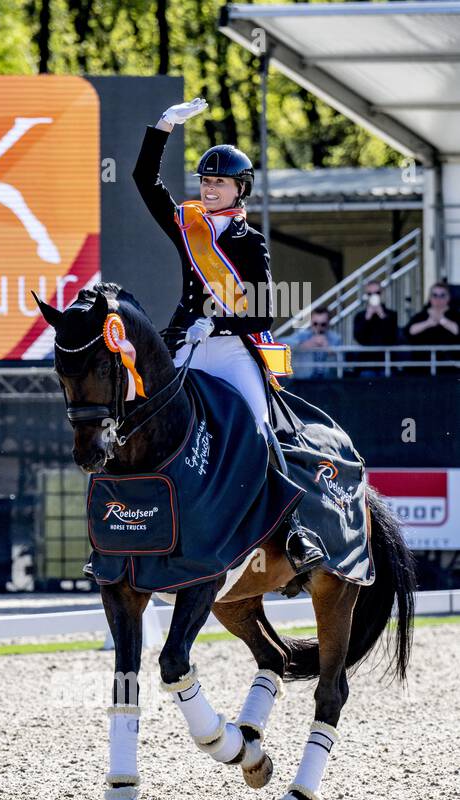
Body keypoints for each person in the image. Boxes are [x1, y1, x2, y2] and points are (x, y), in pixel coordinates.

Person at [133, 96, 323, 574]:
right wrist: (163, 126)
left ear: (240, 189)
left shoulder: (248, 242)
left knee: (261, 432)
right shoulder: (188, 226)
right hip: (188, 347)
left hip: (234, 352)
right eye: (205, 179)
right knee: (148, 421)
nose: (209, 187)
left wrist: (213, 323)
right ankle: (134, 526)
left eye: (218, 181)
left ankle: (296, 530)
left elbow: (261, 309)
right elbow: (144, 181)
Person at [403, 282, 460, 373]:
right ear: (430, 298)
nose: (438, 299)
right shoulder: (421, 315)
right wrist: (428, 323)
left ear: (448, 297)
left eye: (442, 295)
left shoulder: (455, 315)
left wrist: (442, 320)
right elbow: (410, 331)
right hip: (422, 364)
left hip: (449, 364)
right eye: (435, 295)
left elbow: (457, 330)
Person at [351, 280, 399, 376]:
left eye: (377, 293)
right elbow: (359, 338)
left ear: (382, 295)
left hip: (386, 361)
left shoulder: (391, 314)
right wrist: (367, 318)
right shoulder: (360, 316)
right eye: (370, 294)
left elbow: (392, 337)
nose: (374, 297)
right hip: (366, 363)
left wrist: (382, 315)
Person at [288, 306, 343, 379]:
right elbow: (285, 343)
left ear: (328, 323)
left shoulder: (336, 339)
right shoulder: (303, 335)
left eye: (323, 324)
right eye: (315, 324)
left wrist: (329, 349)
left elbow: (342, 364)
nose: (319, 327)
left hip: (328, 381)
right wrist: (304, 345)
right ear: (311, 322)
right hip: (305, 380)